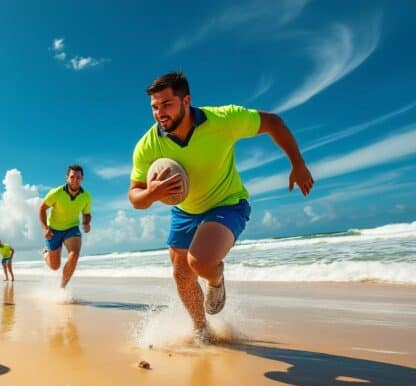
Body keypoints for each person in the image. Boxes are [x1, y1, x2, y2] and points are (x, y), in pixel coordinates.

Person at [127, 72, 314, 342]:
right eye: (155, 107)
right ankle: (201, 329)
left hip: (227, 203)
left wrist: (297, 163)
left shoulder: (223, 119)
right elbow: (134, 197)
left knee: (199, 261)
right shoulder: (147, 145)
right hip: (185, 210)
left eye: (166, 104)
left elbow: (273, 122)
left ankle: (216, 281)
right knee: (181, 274)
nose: (160, 113)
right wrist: (151, 193)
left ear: (186, 100)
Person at [39, 164, 92, 288]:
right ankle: (46, 253)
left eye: (78, 177)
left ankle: (61, 288)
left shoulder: (86, 196)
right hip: (54, 230)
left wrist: (86, 223)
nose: (75, 180)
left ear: (82, 178)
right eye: (72, 177)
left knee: (74, 256)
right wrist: (45, 228)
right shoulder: (56, 193)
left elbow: (87, 213)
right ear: (67, 177)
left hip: (72, 229)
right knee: (54, 266)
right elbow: (42, 209)